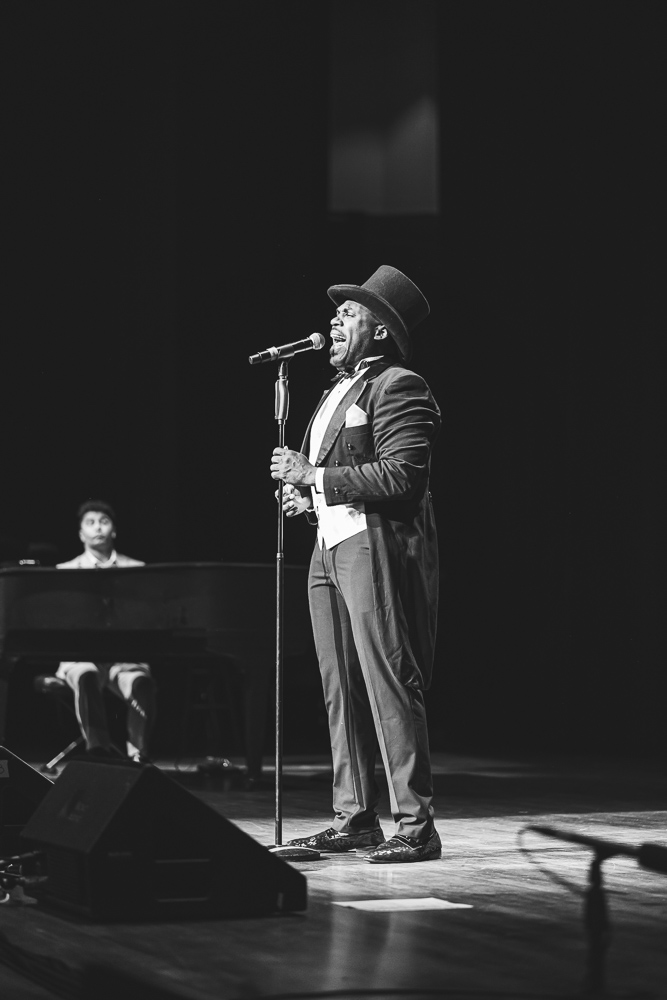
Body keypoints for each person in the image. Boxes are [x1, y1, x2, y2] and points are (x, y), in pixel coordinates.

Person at [270, 265, 441, 863]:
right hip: (328, 546)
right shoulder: (334, 390)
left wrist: (314, 476)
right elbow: (336, 475)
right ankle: (355, 817)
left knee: (387, 679)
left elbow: (403, 474)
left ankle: (415, 826)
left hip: (372, 547)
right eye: (337, 311)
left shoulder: (398, 384)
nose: (336, 319)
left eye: (350, 312)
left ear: (382, 329)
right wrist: (309, 498)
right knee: (339, 686)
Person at [56, 500, 155, 762]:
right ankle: (98, 752)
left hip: (123, 658)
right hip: (82, 657)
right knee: (86, 674)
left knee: (142, 683)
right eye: (90, 523)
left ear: (114, 530)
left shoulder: (137, 569)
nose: (98, 528)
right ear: (81, 534)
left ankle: (138, 756)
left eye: (104, 521)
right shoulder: (64, 572)